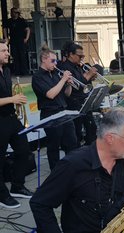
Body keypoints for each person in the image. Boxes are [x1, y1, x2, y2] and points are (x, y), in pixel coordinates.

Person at [30, 108, 124, 233]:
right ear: (110, 138)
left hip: (119, 224)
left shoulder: (123, 159)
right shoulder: (73, 165)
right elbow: (39, 204)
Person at [32, 46, 77, 170]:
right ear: (44, 59)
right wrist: (63, 80)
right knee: (54, 146)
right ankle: (56, 173)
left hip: (63, 112)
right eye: (52, 61)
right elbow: (50, 95)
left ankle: (72, 170)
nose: (55, 63)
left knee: (72, 142)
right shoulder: (37, 77)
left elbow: (66, 94)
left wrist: (69, 84)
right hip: (50, 113)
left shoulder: (56, 74)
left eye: (56, 61)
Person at [0, 40, 33, 209]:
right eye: (4, 50)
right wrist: (12, 99)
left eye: (7, 50)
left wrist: (15, 102)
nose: (7, 53)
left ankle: (17, 186)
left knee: (24, 151)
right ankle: (2, 195)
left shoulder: (6, 70)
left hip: (12, 118)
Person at [59, 41, 98, 147]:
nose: (82, 58)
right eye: (79, 55)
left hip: (84, 101)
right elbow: (77, 85)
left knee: (91, 128)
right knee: (77, 132)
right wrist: (89, 75)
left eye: (83, 55)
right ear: (71, 54)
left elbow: (85, 83)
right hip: (74, 103)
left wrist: (91, 77)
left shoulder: (78, 66)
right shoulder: (65, 67)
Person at [3, 7, 30, 76]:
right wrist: (6, 38)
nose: (14, 14)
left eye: (15, 12)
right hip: (13, 41)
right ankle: (17, 71)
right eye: (13, 12)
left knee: (22, 56)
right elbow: (5, 28)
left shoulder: (21, 20)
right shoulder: (9, 21)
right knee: (15, 56)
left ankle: (24, 71)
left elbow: (27, 29)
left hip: (21, 41)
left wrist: (26, 38)